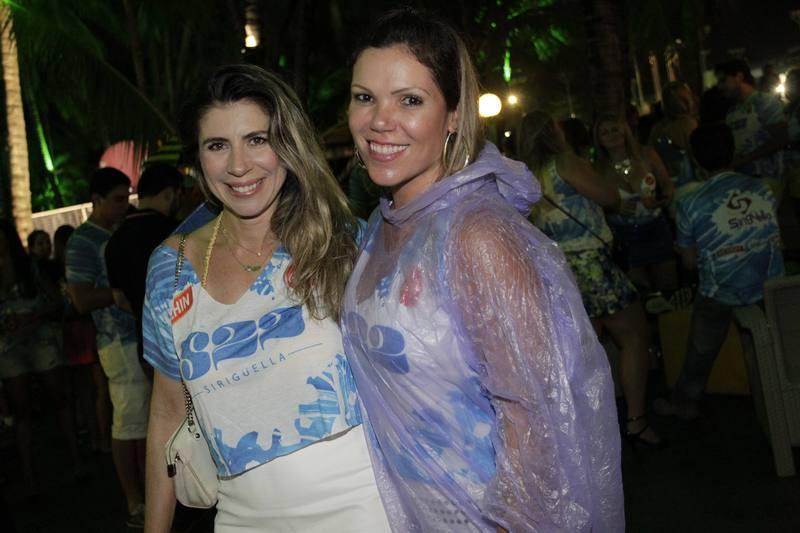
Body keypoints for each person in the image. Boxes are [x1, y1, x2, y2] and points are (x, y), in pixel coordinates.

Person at [343, 9, 623, 532]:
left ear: (453, 115)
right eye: (365, 97)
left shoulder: (476, 235)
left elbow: (537, 413)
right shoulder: (381, 228)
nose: (380, 120)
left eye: (409, 100)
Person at [142, 64, 390, 532]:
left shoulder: (343, 242)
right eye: (218, 145)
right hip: (241, 519)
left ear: (287, 145)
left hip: (366, 509)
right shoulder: (171, 269)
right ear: (198, 160)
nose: (238, 166)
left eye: (257, 139)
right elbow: (166, 414)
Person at [521, 110, 663, 448]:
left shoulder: (525, 174)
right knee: (634, 335)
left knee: (584, 348)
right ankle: (636, 420)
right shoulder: (564, 162)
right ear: (552, 132)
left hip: (557, 268)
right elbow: (609, 197)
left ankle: (586, 428)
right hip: (590, 264)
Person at [655, 123, 784, 420]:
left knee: (700, 349)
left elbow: (689, 263)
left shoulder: (690, 202)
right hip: (769, 287)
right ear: (733, 150)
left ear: (695, 159)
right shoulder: (764, 189)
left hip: (722, 292)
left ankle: (685, 402)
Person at [65, 168, 150, 527]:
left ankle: (148, 495)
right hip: (117, 341)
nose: (124, 205)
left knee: (142, 421)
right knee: (128, 424)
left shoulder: (120, 231)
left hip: (137, 336)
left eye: (126, 198)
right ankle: (134, 500)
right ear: (96, 201)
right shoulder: (82, 242)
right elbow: (80, 299)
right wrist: (119, 294)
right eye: (117, 199)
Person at [0, 220, 80, 495]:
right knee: (21, 409)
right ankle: (30, 476)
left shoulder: (28, 267)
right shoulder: (26, 267)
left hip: (38, 338)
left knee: (58, 397)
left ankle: (73, 460)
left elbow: (56, 301)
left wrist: (31, 317)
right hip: (10, 346)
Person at [105, 163, 182, 379]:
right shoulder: (179, 233)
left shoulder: (114, 241)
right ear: (170, 194)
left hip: (150, 348)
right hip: (186, 344)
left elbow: (120, 299)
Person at [594, 114, 677, 296]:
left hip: (656, 227)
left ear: (625, 131)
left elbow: (667, 185)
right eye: (604, 133)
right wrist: (615, 208)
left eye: (615, 129)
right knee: (641, 293)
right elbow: (596, 206)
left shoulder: (647, 154)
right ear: (598, 140)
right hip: (624, 235)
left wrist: (661, 199)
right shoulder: (598, 169)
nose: (611, 135)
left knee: (669, 288)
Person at [716, 59, 788, 201]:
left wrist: (746, 158)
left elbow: (781, 138)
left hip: (769, 183)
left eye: (723, 80)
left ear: (739, 77)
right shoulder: (732, 112)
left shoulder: (764, 102)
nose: (720, 86)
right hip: (744, 185)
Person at [648, 81, 699, 183]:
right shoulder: (688, 124)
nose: (690, 102)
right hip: (690, 182)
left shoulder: (656, 130)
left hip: (666, 183)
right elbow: (697, 157)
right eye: (684, 99)